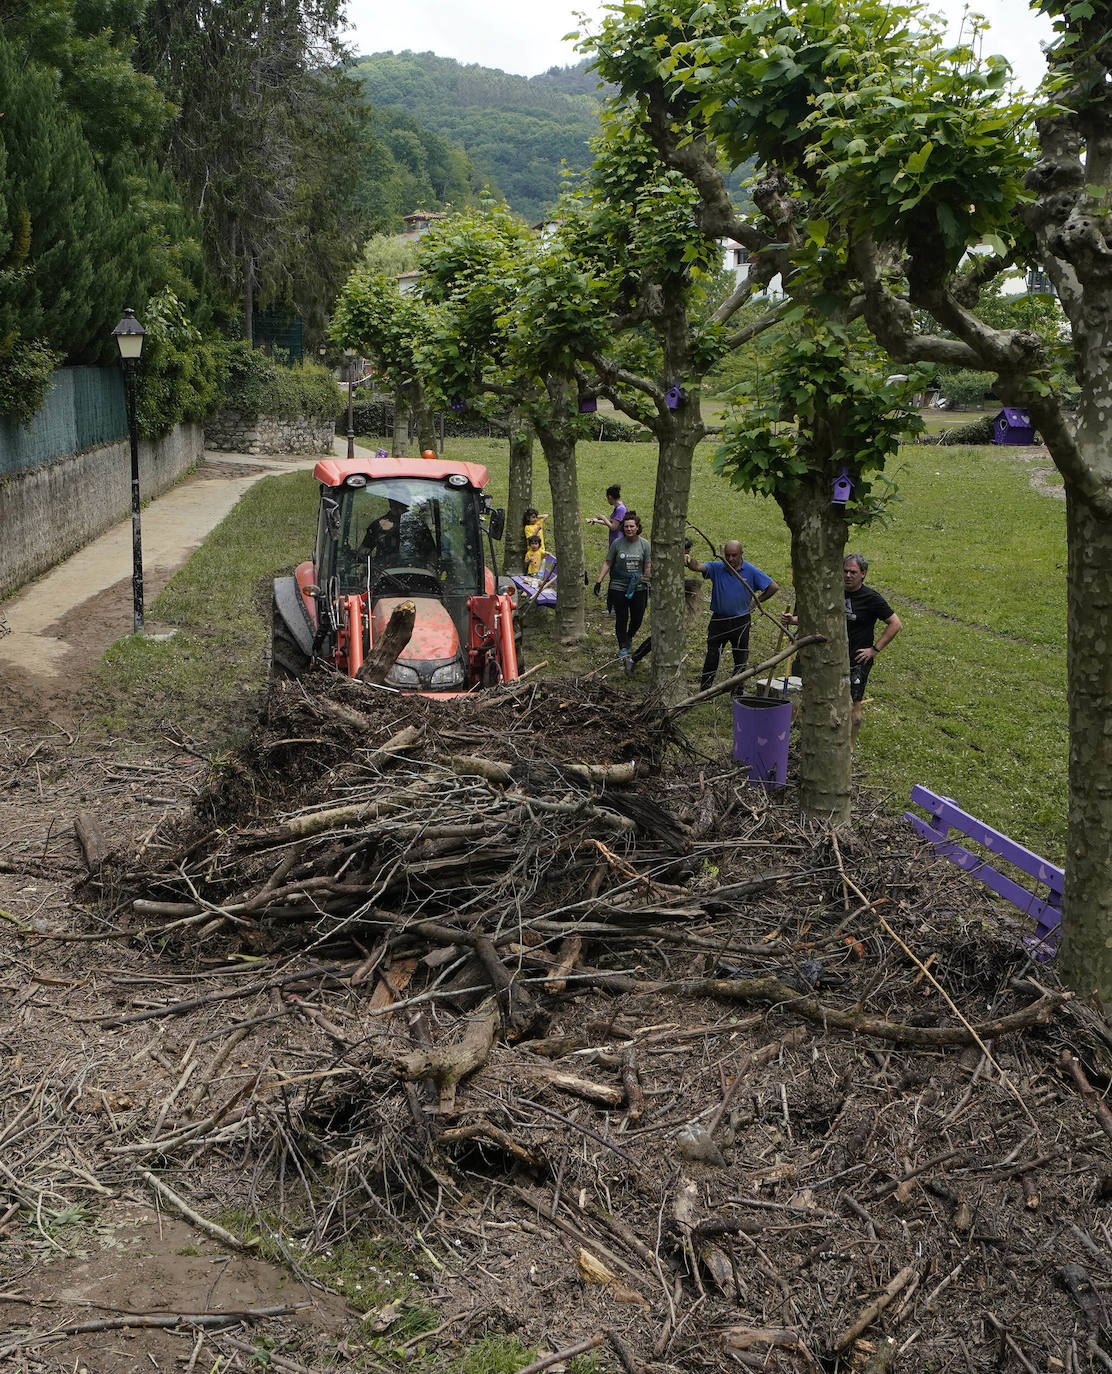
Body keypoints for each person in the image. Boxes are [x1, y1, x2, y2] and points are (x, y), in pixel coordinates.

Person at [782, 553, 902, 747]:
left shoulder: (871, 598)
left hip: (856, 660)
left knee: (853, 704)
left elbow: (895, 624)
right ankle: (812, 738)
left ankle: (850, 749)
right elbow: (813, 617)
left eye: (853, 572)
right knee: (816, 696)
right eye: (845, 571)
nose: (847, 575)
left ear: (863, 574)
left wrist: (874, 650)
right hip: (827, 655)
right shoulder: (831, 593)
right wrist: (792, 620)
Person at [686, 540, 779, 691]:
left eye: (734, 555)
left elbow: (773, 587)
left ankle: (737, 690)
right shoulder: (717, 567)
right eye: (727, 555)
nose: (730, 559)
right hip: (719, 619)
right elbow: (698, 566)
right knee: (712, 655)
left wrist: (756, 603)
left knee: (740, 657)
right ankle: (705, 689)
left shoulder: (751, 571)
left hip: (740, 621)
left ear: (741, 554)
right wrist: (688, 560)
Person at [623, 539, 695, 674]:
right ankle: (634, 659)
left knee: (672, 634)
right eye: (687, 551)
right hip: (664, 605)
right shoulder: (664, 563)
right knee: (659, 634)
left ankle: (667, 661)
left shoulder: (677, 563)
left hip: (674, 605)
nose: (688, 554)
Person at [594, 512, 651, 660]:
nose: (629, 529)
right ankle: (623, 646)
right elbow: (608, 562)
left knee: (637, 618)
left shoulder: (644, 544)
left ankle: (629, 636)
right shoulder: (617, 544)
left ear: (637, 527)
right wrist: (599, 580)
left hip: (639, 586)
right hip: (618, 585)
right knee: (622, 618)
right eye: (626, 526)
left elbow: (647, 565)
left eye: (632, 526)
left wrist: (647, 580)